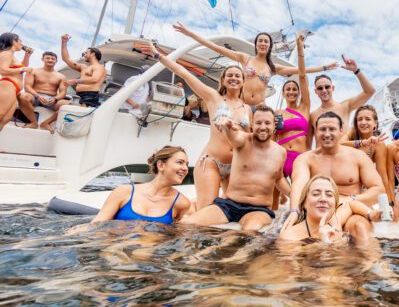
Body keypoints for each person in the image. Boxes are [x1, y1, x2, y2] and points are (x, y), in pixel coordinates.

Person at [145, 41, 252, 209]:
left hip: (235, 165)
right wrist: (159, 56)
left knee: (232, 208)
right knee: (207, 209)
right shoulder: (213, 98)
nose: (233, 78)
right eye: (229, 75)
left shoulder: (247, 109)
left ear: (243, 81)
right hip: (211, 161)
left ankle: (188, 209)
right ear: (223, 80)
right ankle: (191, 212)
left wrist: (237, 129)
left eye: (237, 76)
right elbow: (185, 74)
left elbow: (249, 138)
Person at [172, 23, 337, 106]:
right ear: (256, 44)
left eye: (266, 41)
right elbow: (215, 47)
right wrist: (190, 34)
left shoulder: (273, 68)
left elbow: (302, 70)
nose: (263, 43)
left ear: (269, 45)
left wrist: (324, 68)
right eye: (261, 41)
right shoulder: (245, 58)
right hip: (240, 104)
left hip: (260, 107)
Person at [284, 111, 383, 246]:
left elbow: (378, 189)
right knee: (290, 239)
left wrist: (349, 200)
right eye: (322, 129)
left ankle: (371, 265)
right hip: (318, 210)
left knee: (359, 227)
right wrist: (294, 211)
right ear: (316, 132)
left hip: (351, 211)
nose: (327, 134)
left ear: (341, 131)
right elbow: (298, 184)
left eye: (332, 129)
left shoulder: (357, 156)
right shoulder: (305, 159)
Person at [183, 105, 290, 229]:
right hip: (230, 205)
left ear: (273, 125)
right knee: (187, 224)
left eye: (267, 123)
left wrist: (296, 195)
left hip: (258, 209)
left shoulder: (280, 152)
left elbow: (279, 178)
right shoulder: (243, 140)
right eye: (258, 123)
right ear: (252, 124)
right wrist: (226, 126)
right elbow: (233, 137)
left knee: (250, 231)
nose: (263, 127)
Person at [92, 146, 191, 223]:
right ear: (161, 165)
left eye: (186, 164)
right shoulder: (123, 192)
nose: (185, 168)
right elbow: (97, 224)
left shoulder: (182, 203)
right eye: (180, 162)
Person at [278, 175, 382, 244]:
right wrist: (324, 244)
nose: (323, 199)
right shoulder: (290, 238)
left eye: (329, 195)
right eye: (315, 194)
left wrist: (371, 214)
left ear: (335, 204)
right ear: (304, 202)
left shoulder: (334, 220)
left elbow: (350, 205)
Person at [275, 31, 311, 178]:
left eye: (294, 89)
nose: (291, 92)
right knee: (275, 198)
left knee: (299, 194)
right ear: (283, 93)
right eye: (288, 89)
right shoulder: (277, 112)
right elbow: (271, 139)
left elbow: (302, 76)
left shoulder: (304, 107)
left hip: (299, 157)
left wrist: (299, 48)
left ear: (298, 92)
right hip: (280, 156)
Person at [309, 56, 376, 134]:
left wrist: (356, 71)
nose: (324, 90)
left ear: (332, 88)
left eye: (327, 87)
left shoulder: (345, 106)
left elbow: (370, 91)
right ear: (316, 91)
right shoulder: (312, 116)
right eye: (320, 88)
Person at [342, 105, 391, 197]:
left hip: (363, 191)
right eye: (360, 119)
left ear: (375, 123)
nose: (363, 122)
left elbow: (382, 176)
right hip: (343, 186)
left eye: (367, 119)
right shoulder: (352, 132)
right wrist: (362, 142)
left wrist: (389, 203)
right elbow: (338, 144)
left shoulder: (378, 144)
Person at [18, 51, 68, 132]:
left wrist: (55, 99)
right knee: (23, 96)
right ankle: (34, 123)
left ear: (56, 61)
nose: (50, 60)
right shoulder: (33, 71)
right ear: (42, 59)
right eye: (47, 58)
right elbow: (27, 86)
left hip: (51, 99)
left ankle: (46, 123)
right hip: (35, 96)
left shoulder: (61, 76)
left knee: (67, 104)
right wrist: (37, 96)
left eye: (53, 59)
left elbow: (63, 92)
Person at [60, 34, 106, 107]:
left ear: (93, 54)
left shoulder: (99, 67)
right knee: (58, 106)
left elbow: (95, 79)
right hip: (79, 95)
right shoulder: (83, 67)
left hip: (90, 96)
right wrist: (64, 43)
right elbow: (66, 59)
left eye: (85, 53)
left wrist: (75, 81)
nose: (83, 55)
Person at [0, 32, 32, 132]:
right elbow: (2, 70)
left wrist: (27, 56)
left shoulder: (12, 56)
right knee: (0, 114)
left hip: (14, 89)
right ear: (14, 41)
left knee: (5, 119)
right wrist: (22, 70)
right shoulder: (6, 54)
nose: (22, 44)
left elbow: (23, 67)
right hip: (7, 85)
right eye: (20, 41)